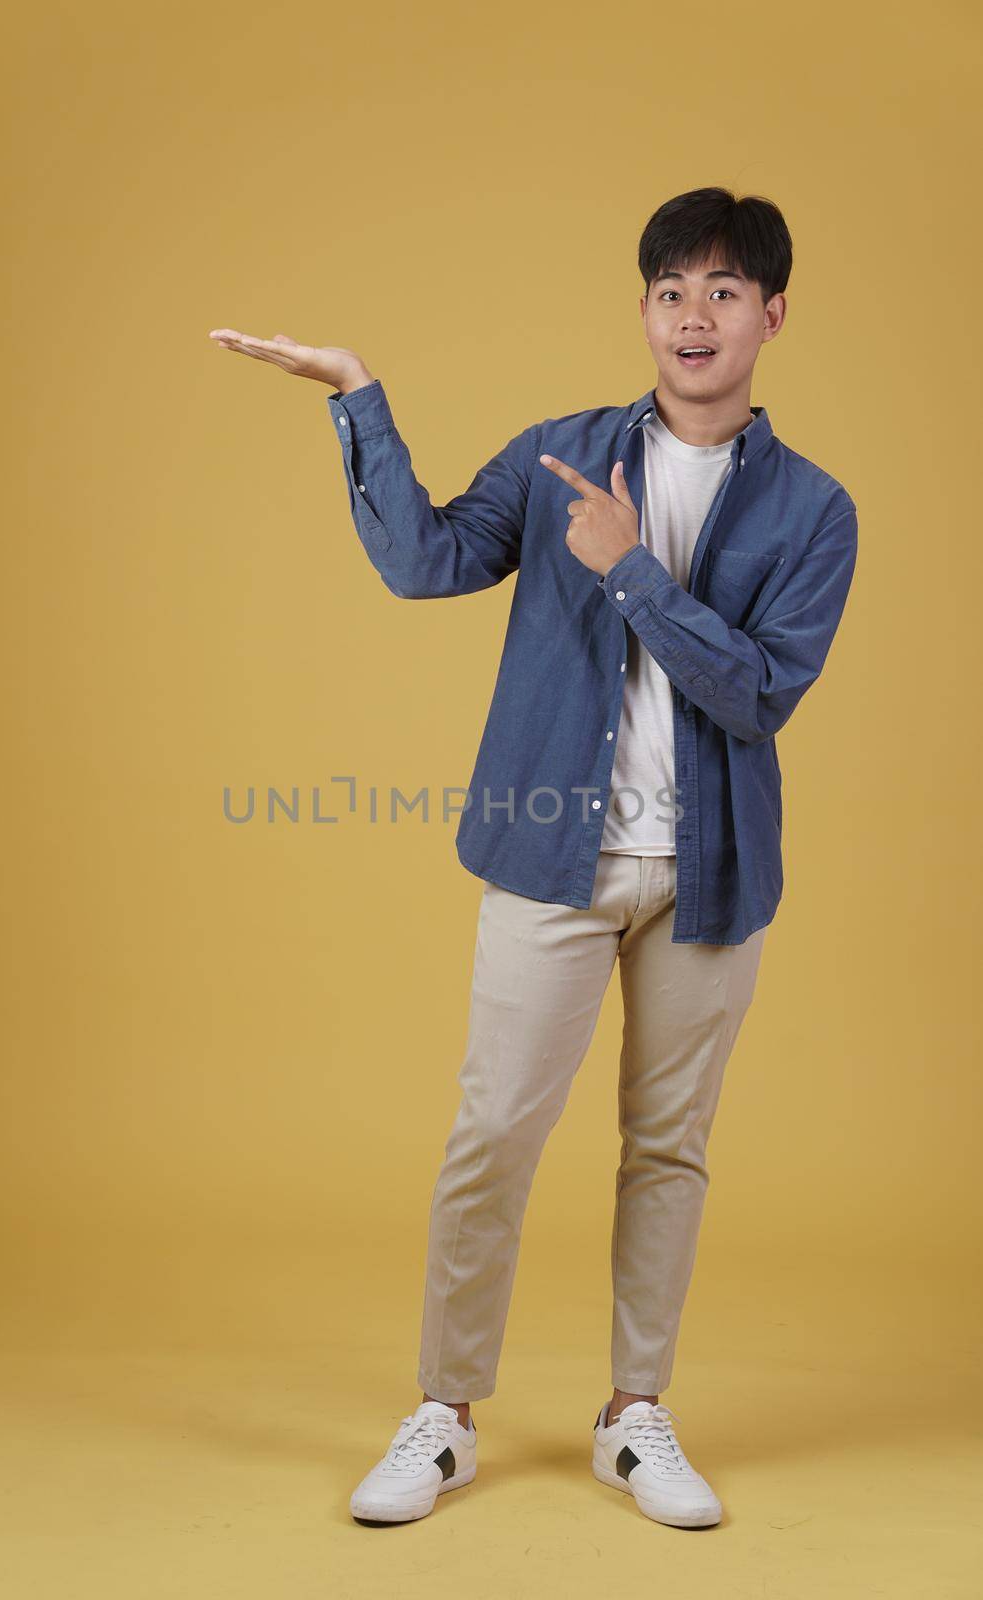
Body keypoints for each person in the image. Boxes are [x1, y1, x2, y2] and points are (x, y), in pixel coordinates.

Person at [209, 186, 858, 1531]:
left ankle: (636, 1416)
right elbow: (424, 561)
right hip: (548, 862)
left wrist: (631, 574)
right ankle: (444, 1412)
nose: (695, 316)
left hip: (711, 876)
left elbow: (757, 693)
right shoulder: (558, 454)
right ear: (644, 310)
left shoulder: (814, 510)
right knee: (494, 1132)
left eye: (725, 292)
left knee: (668, 1149)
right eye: (672, 289)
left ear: (774, 315)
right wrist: (359, 402)